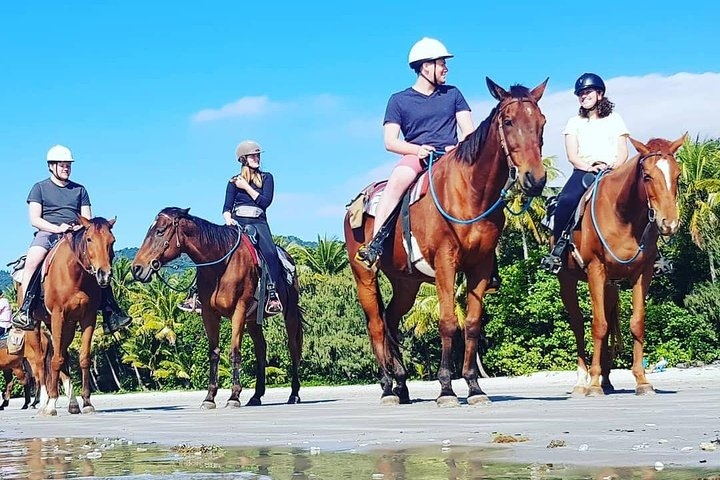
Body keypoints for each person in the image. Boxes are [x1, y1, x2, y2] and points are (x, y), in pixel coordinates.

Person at [355, 38, 503, 289]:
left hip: (453, 157)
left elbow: (468, 131)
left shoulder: (453, 94)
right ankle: (376, 245)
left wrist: (458, 147)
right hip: (417, 156)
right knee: (397, 182)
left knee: (482, 193)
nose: (446, 69)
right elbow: (390, 142)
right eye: (441, 64)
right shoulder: (399, 100)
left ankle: (490, 261)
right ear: (425, 67)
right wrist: (417, 149)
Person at [11, 145, 132, 334]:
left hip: (77, 234)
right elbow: (35, 219)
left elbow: (88, 220)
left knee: (102, 258)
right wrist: (57, 228)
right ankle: (26, 308)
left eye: (68, 165)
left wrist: (77, 228)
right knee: (34, 258)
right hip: (48, 232)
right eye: (62, 164)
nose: (66, 168)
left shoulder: (80, 190)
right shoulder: (39, 188)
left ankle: (110, 310)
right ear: (51, 166)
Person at [178, 140, 284, 315]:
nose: (257, 158)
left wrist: (246, 187)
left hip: (258, 222)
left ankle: (272, 295)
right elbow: (226, 207)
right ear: (243, 159)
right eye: (253, 155)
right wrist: (228, 218)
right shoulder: (233, 182)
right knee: (209, 250)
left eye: (258, 155)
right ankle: (195, 294)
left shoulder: (267, 178)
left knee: (270, 252)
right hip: (236, 222)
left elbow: (265, 202)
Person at [542, 73, 630, 270]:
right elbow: (572, 155)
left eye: (587, 92)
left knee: (641, 199)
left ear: (600, 94)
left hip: (613, 171)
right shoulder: (574, 122)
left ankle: (654, 253)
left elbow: (623, 150)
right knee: (565, 200)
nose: (583, 96)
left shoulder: (615, 119)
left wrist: (613, 167)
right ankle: (558, 250)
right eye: (580, 93)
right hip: (584, 171)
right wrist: (589, 167)